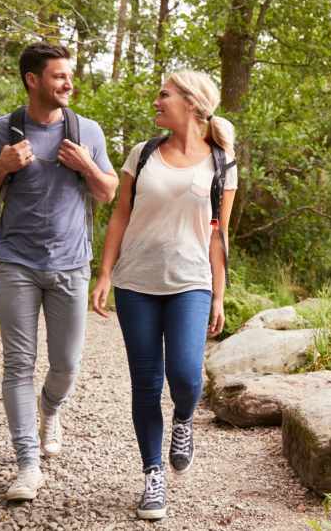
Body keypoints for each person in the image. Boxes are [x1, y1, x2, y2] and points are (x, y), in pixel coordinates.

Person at [0, 42, 118, 501]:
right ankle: (27, 465)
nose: (69, 83)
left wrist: (87, 164)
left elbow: (108, 192)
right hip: (16, 262)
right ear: (33, 80)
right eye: (59, 76)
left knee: (66, 365)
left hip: (71, 264)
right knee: (17, 364)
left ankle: (51, 408)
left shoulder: (86, 130)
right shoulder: (0, 131)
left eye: (69, 75)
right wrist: (1, 166)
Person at [90, 69, 237, 520]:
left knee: (187, 375)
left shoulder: (222, 161)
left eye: (163, 94)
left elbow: (220, 235)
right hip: (137, 282)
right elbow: (120, 215)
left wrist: (218, 294)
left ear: (191, 104)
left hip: (191, 281)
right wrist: (106, 272)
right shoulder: (143, 153)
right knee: (147, 383)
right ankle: (153, 476)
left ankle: (183, 421)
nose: (156, 101)